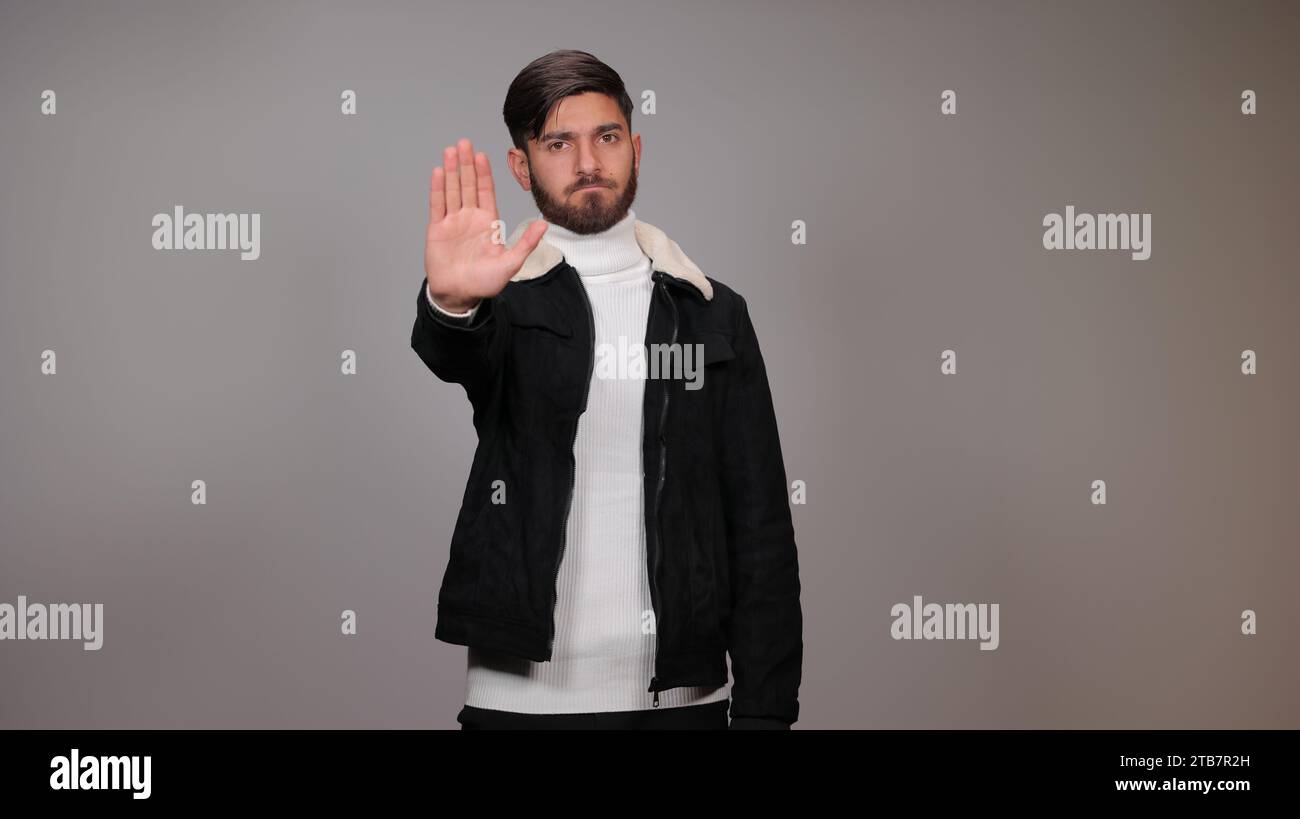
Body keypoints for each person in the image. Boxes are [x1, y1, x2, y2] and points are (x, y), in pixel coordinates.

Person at [411, 49, 802, 730]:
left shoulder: (712, 311)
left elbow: (759, 520)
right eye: (559, 142)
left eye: (607, 137)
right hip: (520, 705)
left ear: (636, 148)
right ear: (521, 165)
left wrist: (767, 712)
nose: (588, 160)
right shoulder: (502, 303)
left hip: (684, 704)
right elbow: (455, 354)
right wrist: (450, 303)